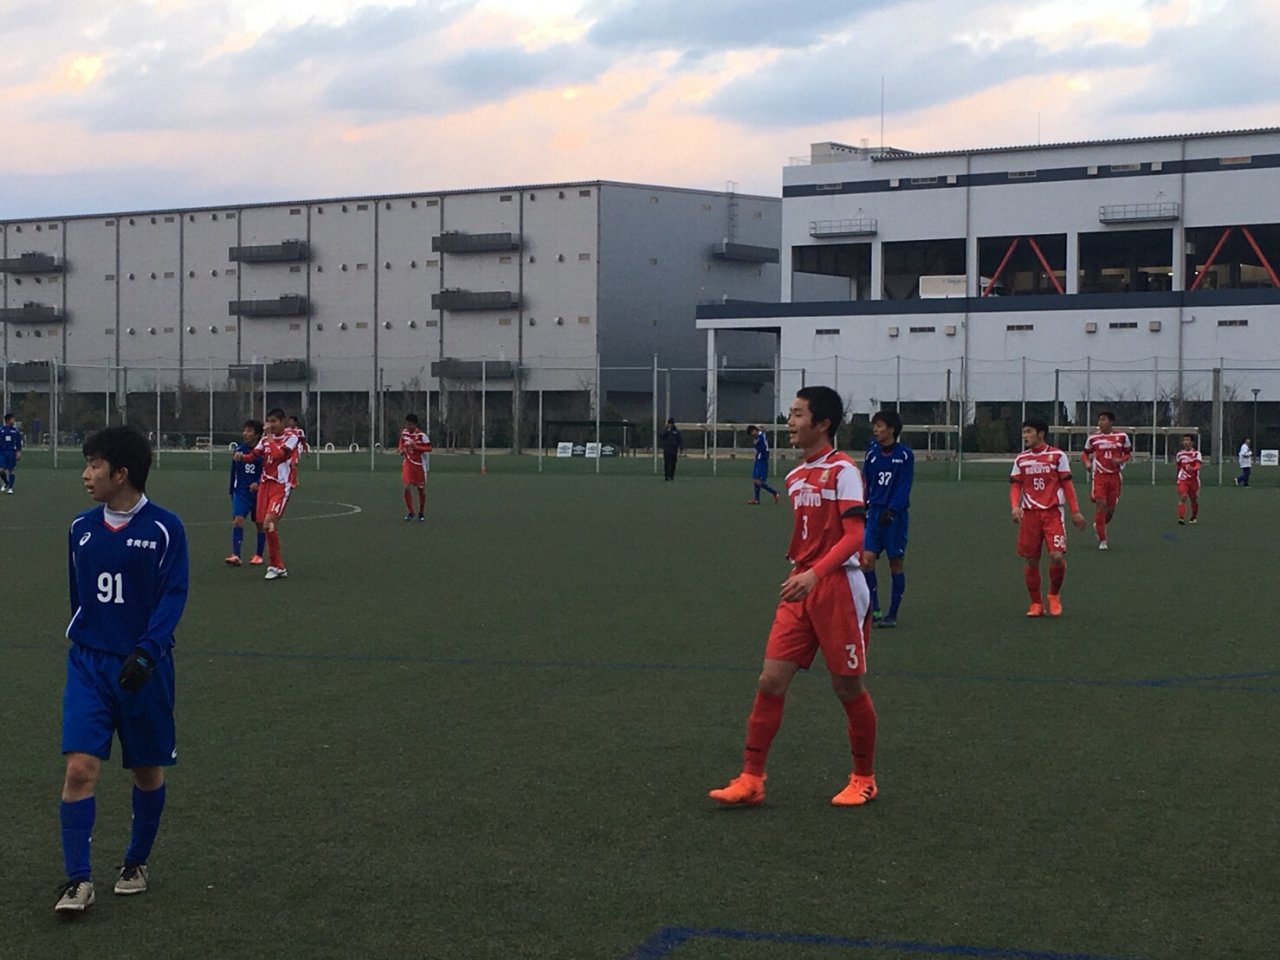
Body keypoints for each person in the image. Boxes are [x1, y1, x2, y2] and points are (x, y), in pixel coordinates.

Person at [709, 386, 878, 808]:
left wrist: (816, 574)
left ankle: (864, 778)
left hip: (837, 585)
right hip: (800, 584)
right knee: (770, 680)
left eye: (798, 414)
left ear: (823, 423)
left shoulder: (843, 470)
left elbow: (854, 536)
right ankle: (752, 778)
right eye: (790, 413)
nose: (790, 422)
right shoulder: (794, 476)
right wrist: (804, 573)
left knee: (846, 687)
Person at [56, 425, 190, 913]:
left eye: (94, 465)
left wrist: (148, 651)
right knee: (79, 768)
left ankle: (135, 862)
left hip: (143, 667)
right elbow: (79, 597)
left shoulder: (164, 528)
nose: (86, 474)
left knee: (146, 770)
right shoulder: (80, 528)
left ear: (122, 473)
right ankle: (77, 880)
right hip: (89, 663)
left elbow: (172, 595)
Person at [1010, 418, 1087, 618]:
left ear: (1041, 433)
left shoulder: (1057, 456)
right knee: (1031, 561)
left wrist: (1075, 511)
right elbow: (1016, 485)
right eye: (1024, 432)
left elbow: (1067, 485)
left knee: (1057, 557)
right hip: (1029, 515)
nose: (1025, 436)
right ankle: (1036, 603)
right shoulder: (1021, 459)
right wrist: (1015, 506)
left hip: (1053, 513)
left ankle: (1053, 594)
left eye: (1029, 431)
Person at [861, 409, 914, 627]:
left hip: (894, 517)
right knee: (866, 560)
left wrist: (892, 510)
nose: (875, 429)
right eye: (874, 425)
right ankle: (874, 608)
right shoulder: (871, 454)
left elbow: (904, 485)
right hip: (874, 513)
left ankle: (892, 614)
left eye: (880, 425)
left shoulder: (905, 455)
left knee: (895, 562)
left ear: (891, 429)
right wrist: (862, 505)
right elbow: (866, 481)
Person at [234, 408, 300, 580]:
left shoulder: (291, 437)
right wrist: (242, 457)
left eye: (274, 421)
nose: (270, 425)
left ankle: (273, 565)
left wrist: (269, 436)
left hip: (280, 486)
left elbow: (278, 455)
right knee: (265, 525)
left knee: (269, 524)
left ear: (283, 422)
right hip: (265, 486)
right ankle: (279, 566)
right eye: (268, 421)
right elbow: (254, 455)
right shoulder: (264, 440)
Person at [1080, 410, 1132, 550]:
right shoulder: (1093, 438)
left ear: (1111, 422)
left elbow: (1128, 454)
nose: (1100, 423)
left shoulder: (1122, 437)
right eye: (1099, 420)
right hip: (1099, 476)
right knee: (1101, 504)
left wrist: (1120, 460)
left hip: (1115, 477)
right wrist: (1087, 463)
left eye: (1103, 420)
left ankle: (1098, 525)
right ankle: (1103, 540)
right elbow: (1085, 454)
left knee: (1110, 510)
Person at [226, 419, 266, 566]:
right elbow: (234, 473)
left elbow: (268, 472)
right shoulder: (239, 450)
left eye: (249, 431)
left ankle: (259, 555)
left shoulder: (264, 452)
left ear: (257, 435)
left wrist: (259, 484)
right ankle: (236, 555)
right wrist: (232, 490)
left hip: (259, 493)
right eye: (244, 430)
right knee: (238, 520)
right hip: (241, 492)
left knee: (260, 524)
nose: (245, 433)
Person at [398, 413, 432, 521]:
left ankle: (421, 512)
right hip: (408, 463)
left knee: (421, 489)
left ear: (415, 425)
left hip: (419, 465)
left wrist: (416, 446)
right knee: (406, 487)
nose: (408, 427)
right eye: (407, 424)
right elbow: (402, 442)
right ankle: (410, 512)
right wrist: (402, 449)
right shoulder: (404, 433)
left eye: (410, 424)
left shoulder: (422, 436)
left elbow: (429, 448)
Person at [745, 425, 780, 505]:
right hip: (758, 459)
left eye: (752, 432)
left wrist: (756, 444)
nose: (752, 435)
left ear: (755, 430)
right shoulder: (757, 437)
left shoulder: (761, 436)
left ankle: (774, 492)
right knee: (755, 480)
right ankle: (756, 499)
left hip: (762, 460)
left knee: (759, 481)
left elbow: (763, 448)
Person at [1175, 433, 1202, 525]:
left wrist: (1193, 468)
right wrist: (1177, 477)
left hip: (1194, 480)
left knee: (1193, 499)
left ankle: (1193, 516)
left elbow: (1198, 465)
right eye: (1184, 440)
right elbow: (1178, 466)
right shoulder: (1179, 454)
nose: (1185, 442)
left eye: (1187, 440)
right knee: (1183, 496)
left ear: (1192, 442)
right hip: (1183, 479)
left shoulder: (1196, 453)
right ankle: (1181, 518)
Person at [0, 412, 23, 493]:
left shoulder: (15, 431)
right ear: (7, 420)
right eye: (12, 419)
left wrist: (19, 451)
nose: (14, 421)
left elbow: (18, 442)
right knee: (1, 470)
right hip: (3, 452)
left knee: (11, 470)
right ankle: (6, 483)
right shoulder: (1, 430)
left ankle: (10, 488)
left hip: (12, 452)